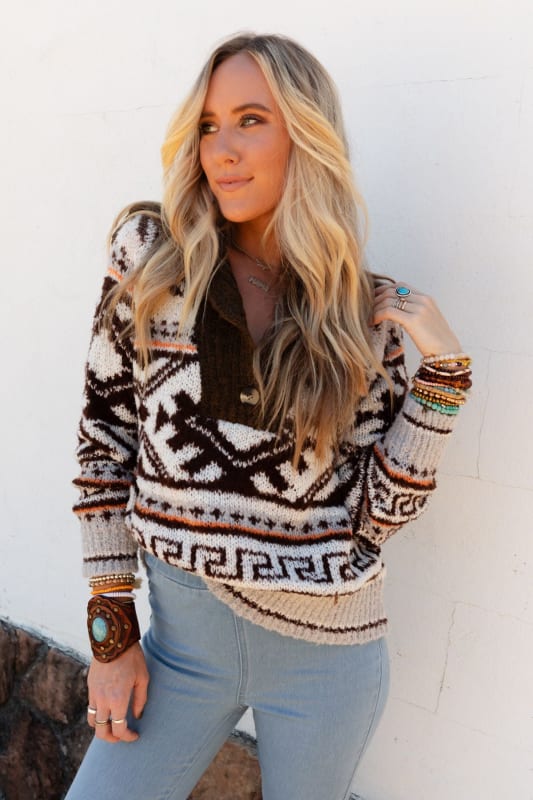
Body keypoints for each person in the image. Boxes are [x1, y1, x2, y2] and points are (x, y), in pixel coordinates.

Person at [66, 32, 471, 800]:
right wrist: (110, 634)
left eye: (250, 120)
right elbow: (103, 443)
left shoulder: (357, 315)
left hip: (327, 660)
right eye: (208, 125)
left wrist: (443, 378)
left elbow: (375, 517)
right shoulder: (150, 258)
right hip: (182, 646)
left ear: (305, 134)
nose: (221, 149)